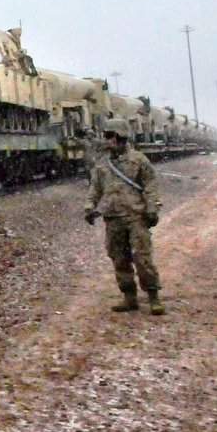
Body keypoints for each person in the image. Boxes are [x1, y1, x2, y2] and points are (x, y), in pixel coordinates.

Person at [84, 118, 164, 315]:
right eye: (106, 136)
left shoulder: (138, 160)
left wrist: (152, 209)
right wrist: (89, 207)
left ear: (121, 136)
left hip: (136, 216)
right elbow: (95, 189)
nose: (107, 140)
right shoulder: (102, 164)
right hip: (112, 217)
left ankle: (153, 296)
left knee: (142, 258)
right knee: (119, 259)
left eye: (110, 136)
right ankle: (129, 297)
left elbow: (150, 187)